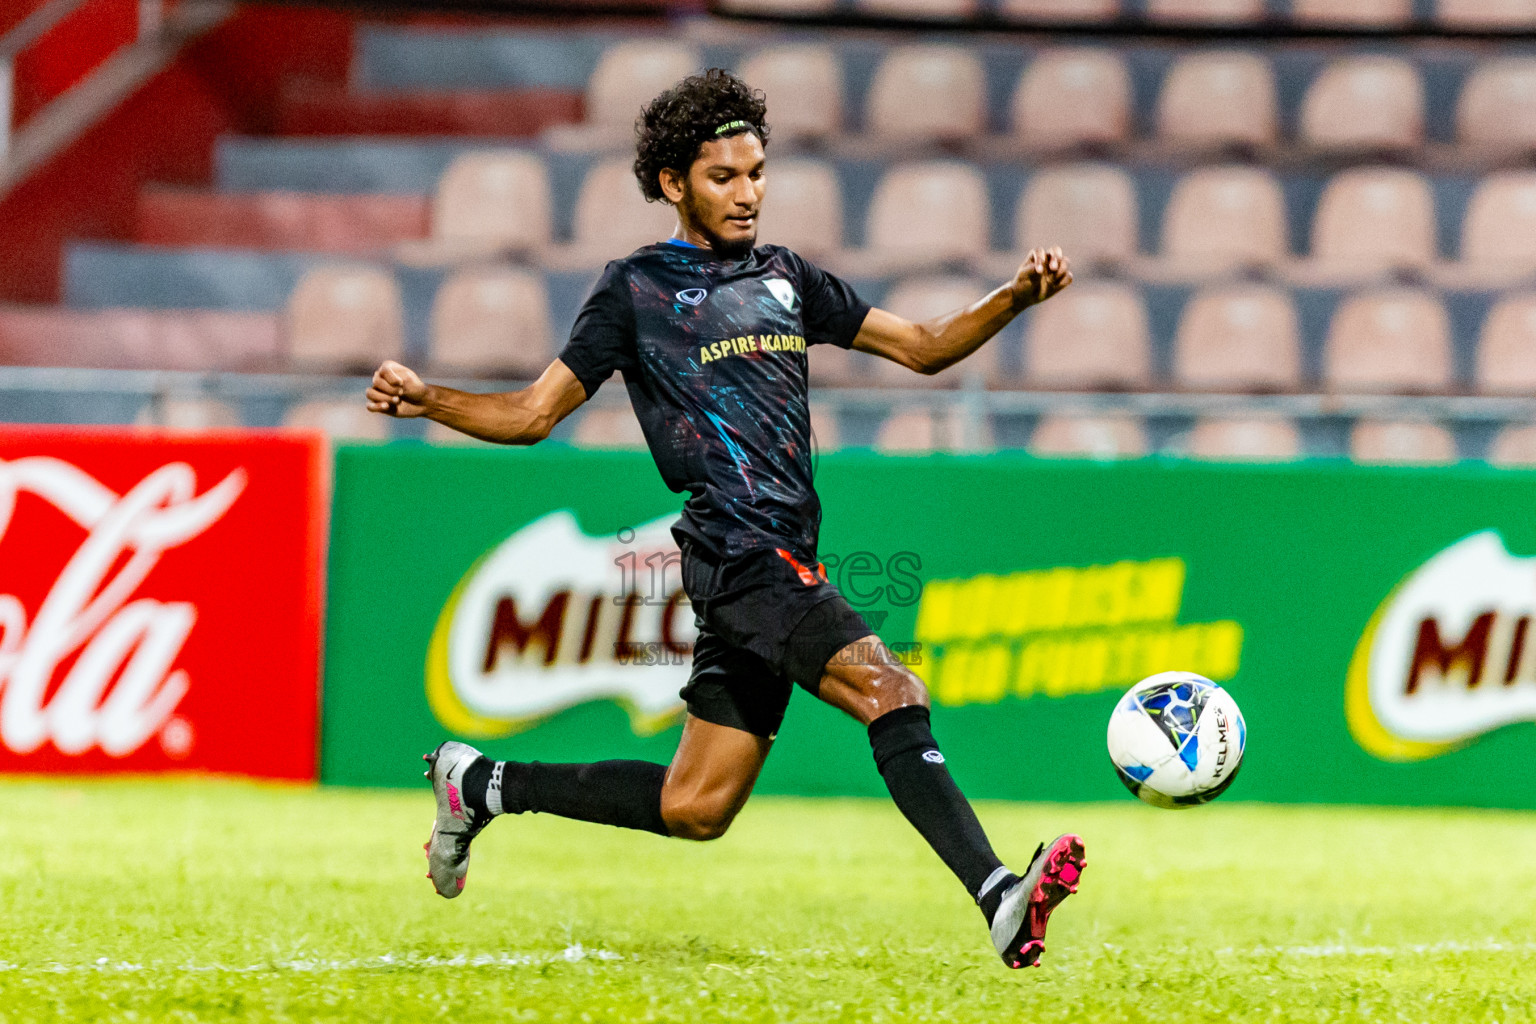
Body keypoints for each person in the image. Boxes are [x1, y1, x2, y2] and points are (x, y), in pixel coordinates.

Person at [365, 68, 1079, 969]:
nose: (747, 195)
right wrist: (432, 400)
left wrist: (1012, 296)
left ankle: (480, 784)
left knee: (695, 807)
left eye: (756, 173)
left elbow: (925, 348)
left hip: (781, 554)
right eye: (723, 177)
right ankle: (999, 895)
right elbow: (533, 415)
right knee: (892, 689)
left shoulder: (788, 279)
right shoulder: (635, 291)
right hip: (741, 556)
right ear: (674, 183)